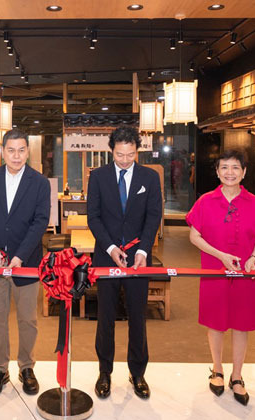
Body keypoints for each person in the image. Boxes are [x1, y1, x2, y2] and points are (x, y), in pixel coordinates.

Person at [186, 149, 255, 406]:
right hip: (214, 270)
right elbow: (194, 236)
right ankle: (217, 369)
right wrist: (220, 255)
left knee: (242, 323)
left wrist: (253, 258)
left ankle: (237, 375)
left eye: (235, 167)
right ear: (217, 172)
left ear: (244, 172)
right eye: (224, 167)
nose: (230, 172)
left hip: (247, 272)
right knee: (215, 322)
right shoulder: (205, 201)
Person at [0, 129, 50, 398]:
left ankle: (26, 367)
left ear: (28, 151)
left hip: (25, 263)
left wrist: (20, 256)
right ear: (2, 151)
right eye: (11, 150)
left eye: (21, 150)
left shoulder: (39, 182)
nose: (16, 156)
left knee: (28, 319)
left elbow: (40, 221)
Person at [88, 125, 163, 400]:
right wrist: (110, 248)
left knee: (137, 317)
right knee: (105, 316)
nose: (125, 160)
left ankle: (138, 373)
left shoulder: (149, 178)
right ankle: (104, 372)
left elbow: (153, 216)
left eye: (130, 155)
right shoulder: (98, 177)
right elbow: (93, 217)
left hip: (138, 259)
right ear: (111, 151)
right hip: (105, 257)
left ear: (136, 151)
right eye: (120, 155)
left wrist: (143, 250)